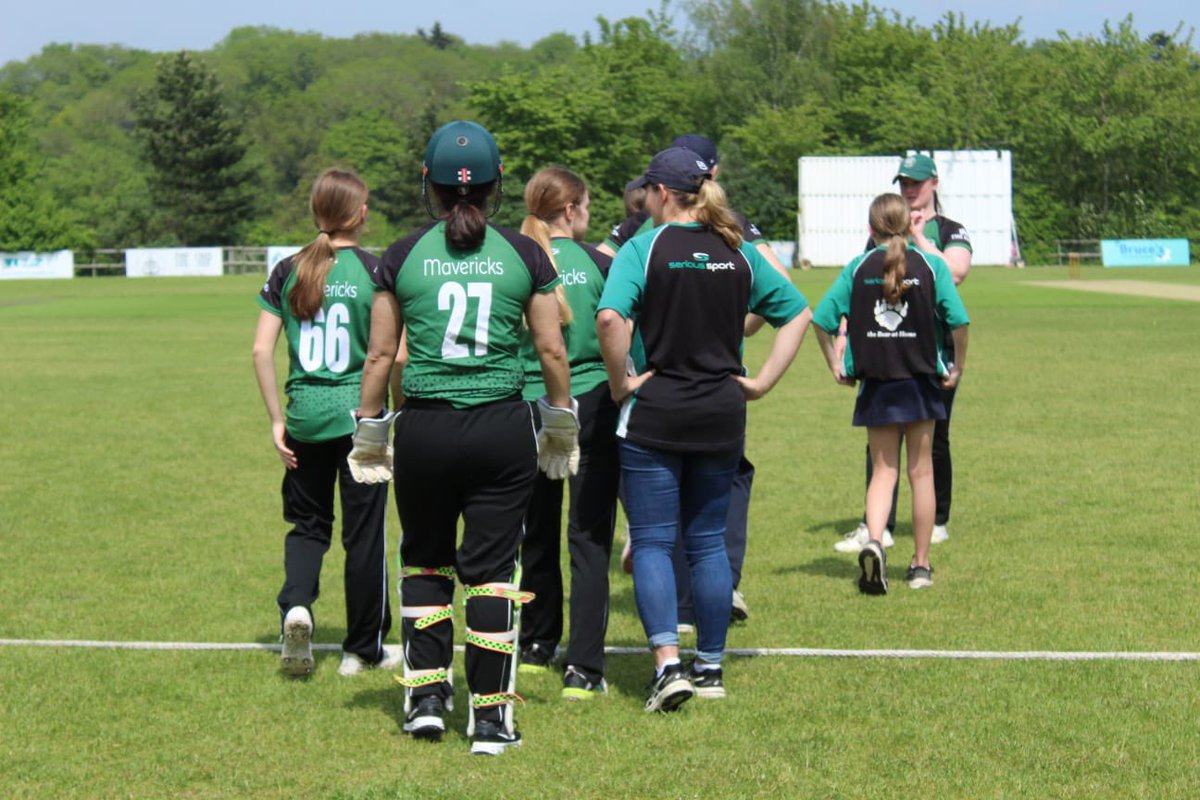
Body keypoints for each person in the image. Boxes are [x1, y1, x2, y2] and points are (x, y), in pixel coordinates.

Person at [347, 121, 577, 756]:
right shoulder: (526, 254)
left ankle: (425, 700)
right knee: (492, 574)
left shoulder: (399, 254)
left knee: (425, 561)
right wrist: (559, 419)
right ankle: (491, 718)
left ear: (430, 185)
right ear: (497, 184)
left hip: (424, 425)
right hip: (502, 427)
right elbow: (552, 347)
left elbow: (381, 356)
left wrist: (370, 431)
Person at [596, 146, 811, 712]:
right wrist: (761, 381)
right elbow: (797, 311)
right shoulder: (736, 249)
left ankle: (668, 666)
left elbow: (609, 318)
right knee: (709, 542)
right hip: (722, 411)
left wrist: (620, 384)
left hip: (657, 411)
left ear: (661, 194)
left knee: (653, 542)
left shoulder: (644, 248)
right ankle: (711, 665)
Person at [251, 168, 399, 678]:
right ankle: (364, 649)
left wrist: (277, 421)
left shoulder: (288, 269)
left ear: (316, 212)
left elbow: (259, 350)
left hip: (303, 418)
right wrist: (391, 413)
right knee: (364, 534)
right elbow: (393, 356)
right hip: (359, 418)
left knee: (308, 526)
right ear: (360, 213)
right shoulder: (377, 270)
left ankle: (296, 606)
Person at [813, 192, 969, 592]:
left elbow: (822, 318)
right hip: (920, 383)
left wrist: (836, 363)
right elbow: (959, 320)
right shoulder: (932, 265)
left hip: (877, 385)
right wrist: (957, 366)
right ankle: (920, 565)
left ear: (871, 228)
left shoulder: (858, 266)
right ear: (908, 225)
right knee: (922, 474)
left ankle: (877, 542)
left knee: (883, 474)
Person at [514, 167, 620, 701]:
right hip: (593, 402)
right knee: (589, 535)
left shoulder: (517, 257)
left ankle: (535, 645)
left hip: (529, 403)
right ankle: (584, 668)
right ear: (572, 208)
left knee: (536, 528)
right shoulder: (602, 262)